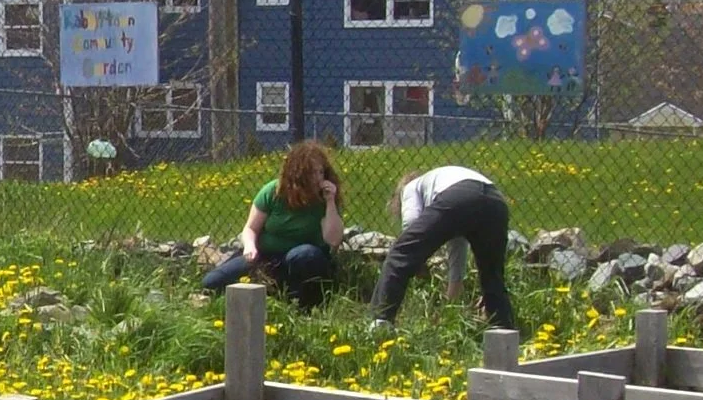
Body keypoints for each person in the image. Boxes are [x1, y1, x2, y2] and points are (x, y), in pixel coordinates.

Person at [372, 163, 519, 330]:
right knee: (492, 276)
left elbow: (410, 226)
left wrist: (416, 261)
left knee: (399, 253)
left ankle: (380, 323)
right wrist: (448, 309)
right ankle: (504, 333)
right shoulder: (442, 184)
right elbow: (458, 252)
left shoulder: (411, 186)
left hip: (459, 196)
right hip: (495, 201)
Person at [202, 140, 344, 307]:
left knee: (304, 255)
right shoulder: (273, 192)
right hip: (265, 256)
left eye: (320, 172)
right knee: (212, 282)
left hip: (302, 259)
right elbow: (250, 228)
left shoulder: (323, 200)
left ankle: (304, 305)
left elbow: (333, 240)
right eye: (311, 173)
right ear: (297, 174)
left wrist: (330, 202)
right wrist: (250, 247)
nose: (317, 178)